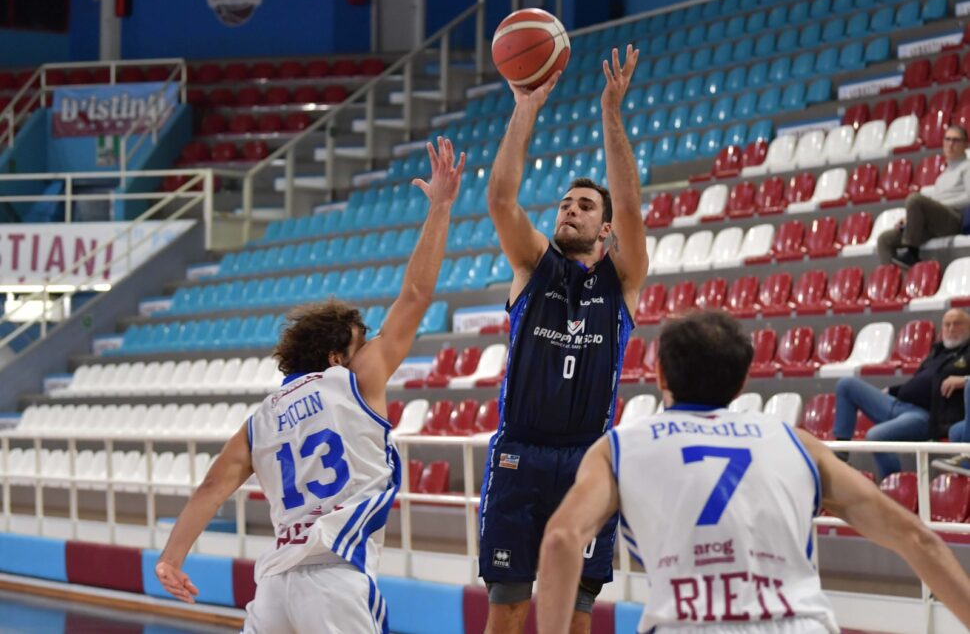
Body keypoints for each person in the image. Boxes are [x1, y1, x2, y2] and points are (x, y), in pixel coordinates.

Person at [153, 138, 465, 633]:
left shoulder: (261, 418)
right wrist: (441, 207)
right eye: (362, 342)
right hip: (336, 575)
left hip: (276, 585)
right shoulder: (353, 379)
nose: (371, 348)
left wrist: (172, 557)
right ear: (337, 356)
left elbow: (212, 487)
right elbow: (416, 294)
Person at [536, 310, 970, 634]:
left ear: (660, 374)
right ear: (742, 381)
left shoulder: (619, 446)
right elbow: (916, 538)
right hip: (799, 623)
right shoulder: (796, 442)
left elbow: (560, 540)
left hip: (687, 623)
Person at [478, 44, 649, 634]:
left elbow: (632, 208)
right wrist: (524, 108)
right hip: (519, 454)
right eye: (565, 204)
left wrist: (611, 112)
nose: (570, 211)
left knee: (576, 618)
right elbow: (501, 200)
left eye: (585, 206)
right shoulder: (532, 265)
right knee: (508, 609)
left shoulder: (622, 281)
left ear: (605, 229)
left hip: (586, 460)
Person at [832, 308, 970, 479]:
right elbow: (918, 381)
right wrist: (893, 390)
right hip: (899, 404)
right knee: (846, 384)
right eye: (947, 324)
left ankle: (894, 483)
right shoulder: (938, 351)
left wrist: (964, 379)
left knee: (875, 436)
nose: (951, 329)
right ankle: (841, 456)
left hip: (924, 416)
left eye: (957, 324)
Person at [877, 124, 970, 268]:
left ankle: (911, 252)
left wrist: (938, 206)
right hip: (935, 223)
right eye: (947, 139)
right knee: (885, 239)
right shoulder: (942, 176)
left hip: (954, 219)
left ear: (965, 145)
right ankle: (893, 279)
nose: (950, 144)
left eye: (956, 140)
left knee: (914, 199)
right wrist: (910, 219)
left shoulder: (967, 167)